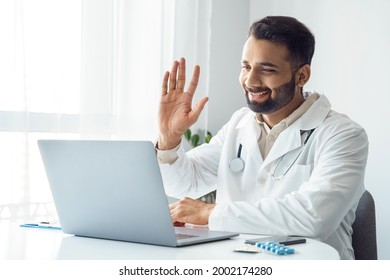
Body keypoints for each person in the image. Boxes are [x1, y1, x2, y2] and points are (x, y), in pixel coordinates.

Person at [155, 16, 368, 260]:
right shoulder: (239, 123)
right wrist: (169, 138)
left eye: (266, 69)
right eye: (246, 67)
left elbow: (313, 218)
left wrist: (211, 214)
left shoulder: (343, 135)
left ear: (302, 76)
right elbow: (184, 184)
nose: (250, 81)